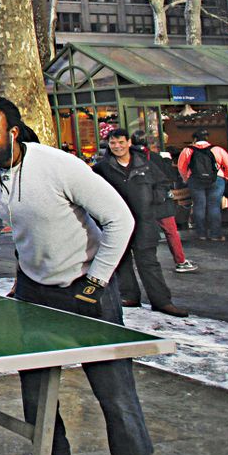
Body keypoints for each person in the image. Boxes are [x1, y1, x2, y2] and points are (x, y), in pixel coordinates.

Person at [0, 97, 164, 455]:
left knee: (115, 397)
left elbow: (121, 219)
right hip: (33, 290)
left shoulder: (59, 166)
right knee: (37, 391)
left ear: (12, 131)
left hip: (87, 291)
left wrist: (97, 279)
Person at [93, 130, 187, 317]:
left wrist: (155, 197)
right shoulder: (102, 168)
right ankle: (129, 295)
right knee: (122, 261)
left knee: (149, 263)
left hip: (144, 220)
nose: (117, 146)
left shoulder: (144, 163)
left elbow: (162, 183)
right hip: (117, 222)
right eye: (113, 143)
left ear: (128, 142)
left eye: (120, 142)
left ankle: (162, 301)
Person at [177, 129, 228, 241]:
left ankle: (201, 234)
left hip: (195, 180)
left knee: (199, 206)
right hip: (216, 180)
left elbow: (181, 167)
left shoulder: (187, 150)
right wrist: (227, 178)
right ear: (207, 138)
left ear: (194, 139)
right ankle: (215, 234)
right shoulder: (217, 149)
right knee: (214, 206)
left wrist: (186, 179)